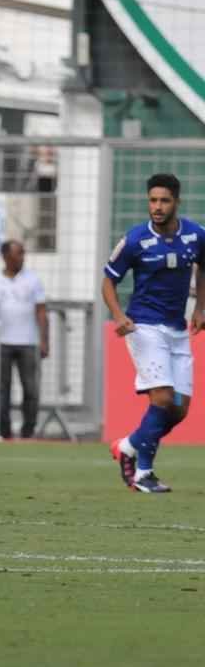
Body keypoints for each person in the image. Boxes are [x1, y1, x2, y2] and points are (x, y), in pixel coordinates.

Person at [104, 173, 205, 493]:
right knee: (162, 398)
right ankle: (143, 473)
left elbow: (203, 267)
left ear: (176, 202)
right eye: (153, 200)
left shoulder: (196, 235)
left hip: (177, 329)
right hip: (144, 326)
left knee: (179, 409)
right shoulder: (134, 240)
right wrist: (118, 316)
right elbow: (108, 281)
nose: (157, 207)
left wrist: (200, 308)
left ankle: (129, 446)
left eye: (164, 201)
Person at [0, 240, 49, 440]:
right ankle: (4, 431)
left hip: (28, 342)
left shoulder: (33, 280)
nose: (21, 257)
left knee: (31, 389)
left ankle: (27, 431)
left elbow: (41, 311)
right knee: (2, 389)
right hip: (1, 341)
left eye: (22, 253)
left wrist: (44, 340)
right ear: (5, 256)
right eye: (17, 254)